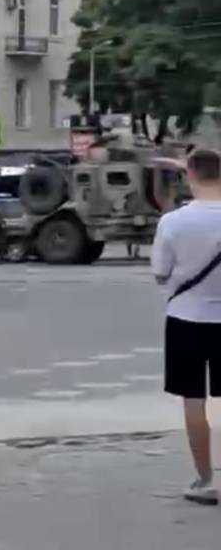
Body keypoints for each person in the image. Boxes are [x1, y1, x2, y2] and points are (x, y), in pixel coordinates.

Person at [151, 148, 221, 505]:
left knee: (194, 400)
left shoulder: (174, 222)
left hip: (186, 319)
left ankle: (205, 480)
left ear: (189, 175)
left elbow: (160, 273)